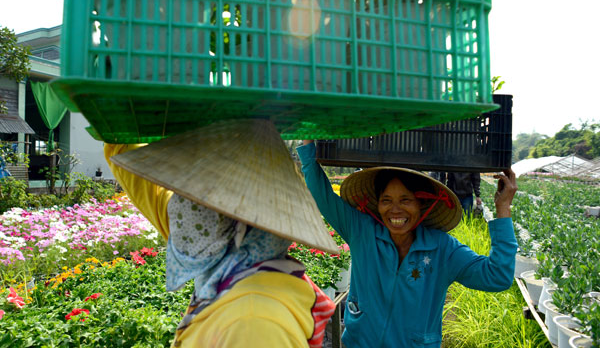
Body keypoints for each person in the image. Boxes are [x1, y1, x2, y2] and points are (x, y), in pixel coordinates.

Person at [104, 119, 339, 348]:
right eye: (184, 191)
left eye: (196, 197)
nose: (178, 207)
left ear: (237, 222)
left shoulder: (254, 325)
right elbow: (148, 187)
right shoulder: (221, 248)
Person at [298, 140, 518, 348]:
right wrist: (308, 143)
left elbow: (497, 276)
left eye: (405, 200)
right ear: (377, 203)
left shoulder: (442, 249)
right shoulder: (361, 231)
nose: (395, 210)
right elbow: (321, 193)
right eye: (386, 200)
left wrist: (503, 209)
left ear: (421, 204)